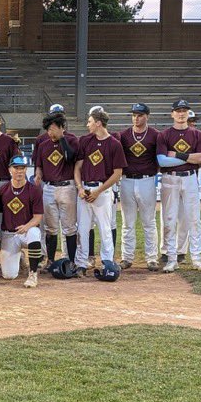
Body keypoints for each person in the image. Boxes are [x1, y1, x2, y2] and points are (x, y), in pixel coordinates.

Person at [156, 99, 201, 272]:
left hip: (189, 177)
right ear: (172, 113)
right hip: (169, 178)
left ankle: (197, 258)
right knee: (169, 219)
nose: (181, 114)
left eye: (184, 111)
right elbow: (162, 161)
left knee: (194, 219)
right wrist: (190, 158)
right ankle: (172, 258)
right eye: (178, 111)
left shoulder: (197, 134)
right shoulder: (164, 135)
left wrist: (177, 155)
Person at [73, 106, 126, 276]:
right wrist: (80, 187)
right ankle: (81, 264)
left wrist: (98, 191)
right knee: (82, 229)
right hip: (85, 189)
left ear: (98, 123)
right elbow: (78, 167)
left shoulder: (114, 144)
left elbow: (117, 173)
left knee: (105, 229)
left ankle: (107, 262)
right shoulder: (85, 140)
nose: (87, 125)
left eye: (89, 122)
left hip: (102, 190)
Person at [32, 105, 79, 269]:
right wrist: (38, 174)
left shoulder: (72, 140)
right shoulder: (43, 144)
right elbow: (39, 165)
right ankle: (50, 260)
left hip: (67, 186)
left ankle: (71, 261)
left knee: (69, 227)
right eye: (48, 130)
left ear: (61, 127)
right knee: (50, 227)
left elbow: (69, 158)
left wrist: (61, 138)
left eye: (53, 129)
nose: (50, 133)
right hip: (49, 187)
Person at [116, 103, 160, 271]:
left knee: (149, 221)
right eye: (134, 115)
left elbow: (158, 159)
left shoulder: (155, 135)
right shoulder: (124, 135)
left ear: (147, 116)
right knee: (127, 223)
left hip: (147, 180)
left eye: (140, 115)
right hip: (127, 180)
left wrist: (151, 171)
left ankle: (152, 258)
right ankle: (127, 257)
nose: (136, 118)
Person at [0, 155, 44, 288]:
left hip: (25, 232)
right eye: (16, 168)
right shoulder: (2, 190)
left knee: (34, 232)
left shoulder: (34, 190)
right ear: (9, 170)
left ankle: (33, 273)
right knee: (9, 275)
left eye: (22, 168)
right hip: (9, 233)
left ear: (26, 170)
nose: (19, 171)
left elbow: (38, 217)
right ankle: (20, 256)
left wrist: (27, 226)